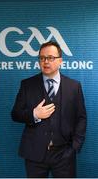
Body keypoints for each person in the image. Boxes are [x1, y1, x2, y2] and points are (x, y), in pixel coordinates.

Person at [11, 41, 87, 178]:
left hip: (64, 153)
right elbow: (15, 114)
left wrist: (75, 146)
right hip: (35, 154)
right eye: (42, 58)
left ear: (60, 61)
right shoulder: (27, 85)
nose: (45, 62)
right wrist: (34, 114)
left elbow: (81, 118)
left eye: (50, 58)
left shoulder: (74, 86)